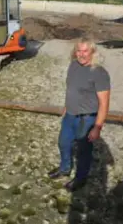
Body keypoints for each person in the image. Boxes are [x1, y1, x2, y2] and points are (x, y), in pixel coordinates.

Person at [48, 37, 111, 192]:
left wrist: (97, 127)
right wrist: (66, 106)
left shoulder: (99, 73)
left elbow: (104, 103)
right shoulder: (73, 65)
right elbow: (71, 89)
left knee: (83, 151)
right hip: (69, 115)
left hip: (86, 118)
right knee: (63, 143)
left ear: (92, 52)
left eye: (85, 51)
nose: (81, 54)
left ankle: (80, 178)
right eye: (78, 50)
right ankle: (65, 169)